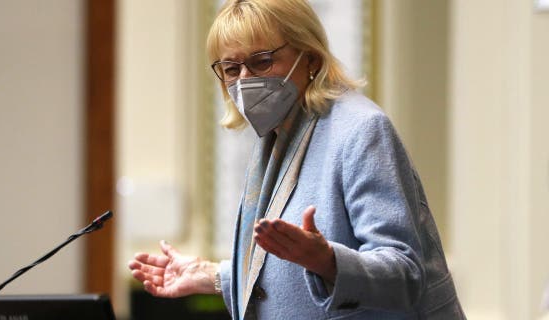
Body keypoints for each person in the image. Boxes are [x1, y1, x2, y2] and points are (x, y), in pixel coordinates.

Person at [128, 0, 466, 319]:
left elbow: (405, 273)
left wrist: (329, 262)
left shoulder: (361, 130)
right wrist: (214, 275)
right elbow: (284, 268)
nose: (245, 80)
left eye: (261, 61)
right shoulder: (279, 135)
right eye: (231, 68)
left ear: (311, 59)